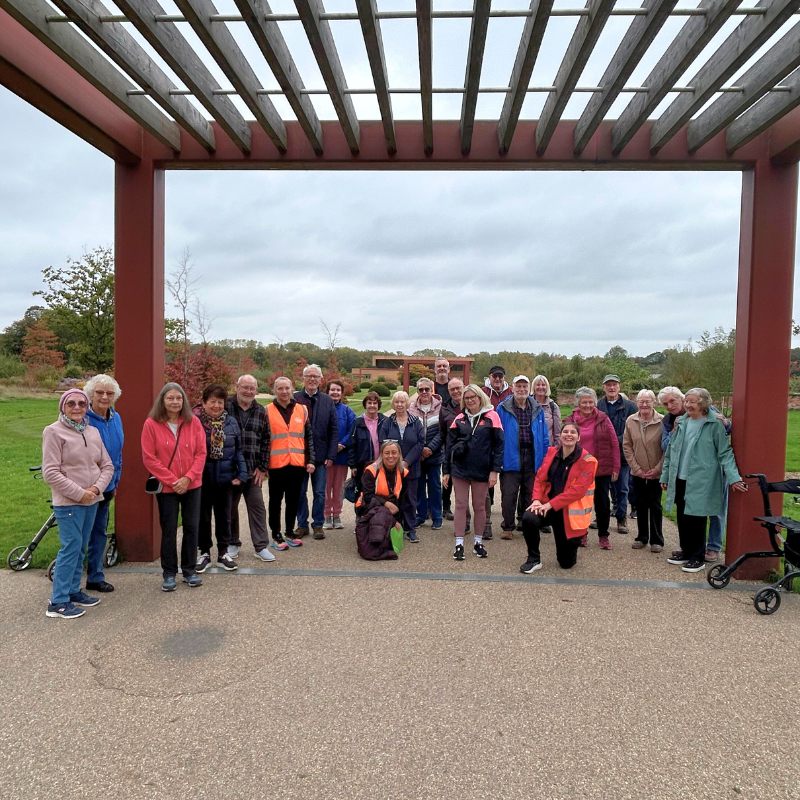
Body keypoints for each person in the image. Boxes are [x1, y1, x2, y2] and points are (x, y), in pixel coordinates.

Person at [42, 388, 114, 618]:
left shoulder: (92, 431)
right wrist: (78, 493)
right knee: (70, 548)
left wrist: (94, 490)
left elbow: (107, 465)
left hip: (91, 500)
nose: (77, 408)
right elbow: (50, 472)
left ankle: (73, 591)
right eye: (71, 403)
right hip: (69, 503)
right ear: (63, 406)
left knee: (80, 548)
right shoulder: (53, 432)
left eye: (81, 404)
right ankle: (58, 602)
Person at [660, 388, 747, 573]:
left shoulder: (714, 424)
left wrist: (734, 478)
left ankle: (697, 557)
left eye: (693, 401)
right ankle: (686, 550)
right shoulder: (681, 422)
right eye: (687, 401)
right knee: (683, 516)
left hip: (702, 479)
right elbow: (671, 452)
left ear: (704, 403)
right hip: (680, 477)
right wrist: (666, 476)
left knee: (697, 517)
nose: (688, 405)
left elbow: (725, 453)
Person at [142, 382, 207, 592]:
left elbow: (201, 453)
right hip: (167, 487)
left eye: (178, 398)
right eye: (170, 398)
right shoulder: (151, 424)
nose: (175, 402)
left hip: (192, 484)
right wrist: (173, 480)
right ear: (162, 400)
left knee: (191, 527)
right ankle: (169, 573)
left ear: (184, 401)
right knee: (168, 529)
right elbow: (149, 459)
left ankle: (189, 570)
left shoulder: (193, 422)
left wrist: (187, 478)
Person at [519, 421, 598, 573]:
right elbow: (540, 478)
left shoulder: (588, 461)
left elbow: (577, 491)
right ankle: (534, 559)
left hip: (567, 513)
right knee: (529, 518)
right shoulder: (552, 453)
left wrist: (550, 504)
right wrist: (536, 500)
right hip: (547, 507)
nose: (569, 435)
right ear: (560, 436)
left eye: (572, 432)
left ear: (578, 438)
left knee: (566, 563)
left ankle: (571, 545)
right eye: (565, 432)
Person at [443, 384, 504, 560]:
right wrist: (446, 470)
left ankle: (478, 542)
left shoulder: (493, 417)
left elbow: (499, 447)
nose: (470, 400)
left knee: (479, 506)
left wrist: (495, 471)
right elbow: (449, 447)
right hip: (460, 469)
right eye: (467, 398)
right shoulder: (459, 418)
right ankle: (459, 544)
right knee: (461, 505)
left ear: (480, 398)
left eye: (473, 397)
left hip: (482, 469)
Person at [194, 384, 248, 573]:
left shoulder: (231, 422)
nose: (216, 406)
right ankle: (205, 552)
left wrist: (242, 474)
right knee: (203, 517)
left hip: (226, 479)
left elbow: (238, 451)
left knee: (225, 517)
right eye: (212, 402)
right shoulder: (196, 422)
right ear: (203, 402)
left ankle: (223, 552)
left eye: (220, 402)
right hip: (202, 479)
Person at [562, 387, 619, 550]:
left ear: (595, 402)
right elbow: (563, 444)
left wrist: (615, 466)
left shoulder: (603, 418)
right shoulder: (570, 420)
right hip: (579, 470)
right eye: (584, 402)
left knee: (602, 503)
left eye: (590, 402)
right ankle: (582, 534)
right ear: (577, 403)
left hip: (601, 469)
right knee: (580, 504)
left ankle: (603, 536)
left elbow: (614, 442)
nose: (588, 405)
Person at [226, 375, 274, 563]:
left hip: (253, 470)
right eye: (245, 387)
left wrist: (263, 468)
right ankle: (232, 543)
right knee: (230, 508)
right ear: (236, 386)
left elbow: (266, 441)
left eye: (252, 388)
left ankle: (261, 546)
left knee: (257, 508)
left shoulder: (260, 411)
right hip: (231, 470)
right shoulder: (226, 406)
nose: (248, 391)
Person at [84, 373, 124, 593]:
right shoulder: (84, 419)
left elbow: (118, 454)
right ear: (91, 394)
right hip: (86, 487)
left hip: (107, 486)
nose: (105, 397)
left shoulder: (115, 418)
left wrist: (115, 481)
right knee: (80, 535)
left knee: (99, 532)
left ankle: (95, 576)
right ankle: (70, 583)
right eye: (100, 392)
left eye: (109, 393)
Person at [496, 375, 549, 539]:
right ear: (513, 388)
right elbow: (497, 434)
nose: (522, 389)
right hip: (511, 455)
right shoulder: (502, 408)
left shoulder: (537, 408)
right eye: (518, 386)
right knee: (509, 494)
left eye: (525, 386)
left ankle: (526, 524)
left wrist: (545, 459)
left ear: (529, 388)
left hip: (533, 456)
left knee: (530, 494)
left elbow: (544, 436)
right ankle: (508, 527)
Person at [266, 376, 316, 549]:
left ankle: (289, 531)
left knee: (293, 500)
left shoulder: (302, 410)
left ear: (292, 389)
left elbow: (308, 437)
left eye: (287, 388)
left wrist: (310, 460)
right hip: (276, 465)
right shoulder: (267, 410)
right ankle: (276, 534)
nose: (284, 392)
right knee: (275, 501)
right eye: (280, 388)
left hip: (297, 463)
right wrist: (264, 464)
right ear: (275, 390)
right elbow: (264, 440)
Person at [294, 364, 338, 539]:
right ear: (303, 378)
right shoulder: (294, 398)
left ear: (321, 380)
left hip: (321, 455)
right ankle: (302, 525)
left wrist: (331, 454)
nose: (312, 379)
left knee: (320, 493)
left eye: (316, 377)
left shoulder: (327, 400)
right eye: (309, 376)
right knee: (300, 492)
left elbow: (334, 429)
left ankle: (318, 524)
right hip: (299, 455)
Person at [354, 440, 411, 560]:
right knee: (382, 513)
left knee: (385, 515)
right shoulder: (371, 470)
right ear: (381, 454)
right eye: (387, 453)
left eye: (394, 453)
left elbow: (402, 500)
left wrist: (397, 521)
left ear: (399, 454)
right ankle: (374, 548)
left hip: (391, 508)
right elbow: (368, 496)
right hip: (368, 505)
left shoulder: (403, 472)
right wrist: (387, 504)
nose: (391, 456)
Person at [379, 391, 424, 542]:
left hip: (411, 468)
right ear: (393, 404)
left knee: (411, 499)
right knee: (394, 499)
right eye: (396, 402)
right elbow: (383, 442)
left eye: (402, 402)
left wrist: (406, 462)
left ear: (407, 403)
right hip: (392, 469)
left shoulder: (415, 421)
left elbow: (420, 443)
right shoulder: (387, 422)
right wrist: (396, 461)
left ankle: (410, 529)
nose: (399, 405)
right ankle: (394, 528)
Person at [622, 390, 665, 552]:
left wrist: (657, 469)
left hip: (656, 472)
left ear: (654, 402)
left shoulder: (662, 421)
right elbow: (627, 445)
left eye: (648, 401)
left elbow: (667, 448)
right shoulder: (631, 420)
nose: (644, 404)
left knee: (655, 505)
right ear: (637, 402)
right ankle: (642, 537)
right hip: (638, 472)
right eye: (641, 401)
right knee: (640, 504)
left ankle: (657, 540)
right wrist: (636, 468)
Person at [597, 374, 637, 533]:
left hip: (622, 453)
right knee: (601, 489)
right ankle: (600, 517)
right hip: (601, 454)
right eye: (608, 385)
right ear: (603, 387)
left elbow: (632, 429)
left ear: (619, 386)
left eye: (614, 384)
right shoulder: (598, 405)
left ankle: (622, 519)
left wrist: (614, 439)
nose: (611, 388)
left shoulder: (630, 406)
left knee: (621, 487)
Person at [480, 366, 511, 538]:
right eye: (495, 376)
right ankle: (487, 518)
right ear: (490, 377)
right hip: (488, 441)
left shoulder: (511, 392)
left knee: (508, 480)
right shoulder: (483, 392)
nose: (498, 380)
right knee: (487, 481)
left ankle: (512, 516)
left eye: (500, 376)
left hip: (508, 442)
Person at [409, 377, 444, 530]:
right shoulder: (411, 408)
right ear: (417, 392)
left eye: (427, 389)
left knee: (435, 486)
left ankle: (437, 516)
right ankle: (421, 515)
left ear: (432, 391)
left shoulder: (440, 407)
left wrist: (430, 448)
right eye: (421, 389)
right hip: (417, 456)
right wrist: (421, 449)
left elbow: (443, 431)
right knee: (419, 486)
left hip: (434, 455)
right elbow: (411, 432)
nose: (424, 392)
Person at [323, 379, 356, 530]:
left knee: (338, 488)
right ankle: (326, 516)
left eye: (338, 390)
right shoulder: (321, 409)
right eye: (332, 390)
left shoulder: (347, 411)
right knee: (325, 487)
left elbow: (352, 431)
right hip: (326, 457)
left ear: (342, 393)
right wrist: (330, 447)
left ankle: (336, 515)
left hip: (341, 456)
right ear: (327, 392)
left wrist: (342, 444)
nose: (335, 392)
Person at [348, 391, 386, 494]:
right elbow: (352, 445)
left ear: (379, 405)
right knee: (363, 493)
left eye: (375, 403)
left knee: (381, 492)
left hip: (382, 464)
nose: (372, 405)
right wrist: (353, 465)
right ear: (365, 405)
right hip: (363, 465)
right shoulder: (358, 423)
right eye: (369, 403)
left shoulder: (385, 421)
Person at [439, 377, 463, 521]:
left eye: (458, 388)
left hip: (469, 450)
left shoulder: (471, 405)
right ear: (449, 391)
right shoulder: (445, 409)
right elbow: (442, 432)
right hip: (450, 450)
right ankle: (446, 507)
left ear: (463, 387)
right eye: (452, 389)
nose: (456, 391)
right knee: (447, 481)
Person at [532, 375, 562, 447]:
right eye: (538, 385)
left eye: (543, 385)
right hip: (531, 449)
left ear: (547, 387)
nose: (541, 387)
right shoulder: (528, 405)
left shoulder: (553, 407)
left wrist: (556, 448)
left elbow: (557, 432)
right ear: (533, 387)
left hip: (548, 447)